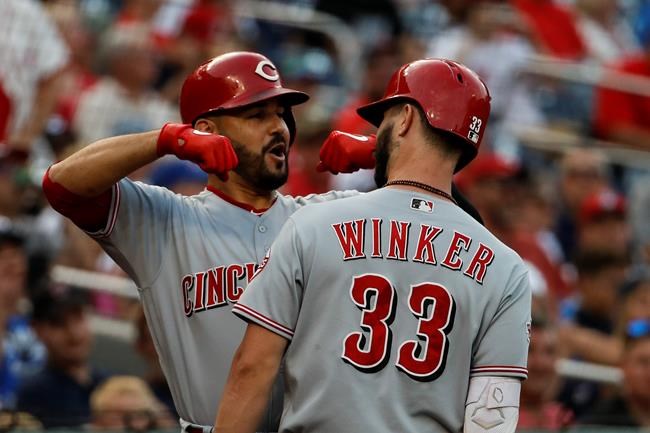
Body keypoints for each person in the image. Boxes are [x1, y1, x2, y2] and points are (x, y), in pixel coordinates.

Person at [42, 51, 359, 431]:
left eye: (282, 114)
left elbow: (441, 219)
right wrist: (166, 139)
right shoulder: (165, 219)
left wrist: (383, 152)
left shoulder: (326, 213)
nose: (279, 128)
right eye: (258, 115)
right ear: (206, 131)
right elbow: (61, 186)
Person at [214, 59, 532, 433]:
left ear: (406, 120)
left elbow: (252, 369)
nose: (376, 131)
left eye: (384, 120)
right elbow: (490, 419)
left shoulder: (315, 223)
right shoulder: (506, 267)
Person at [16, 288, 108, 428]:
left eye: (78, 318)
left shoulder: (111, 383)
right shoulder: (34, 394)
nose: (74, 333)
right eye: (59, 323)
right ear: (37, 329)